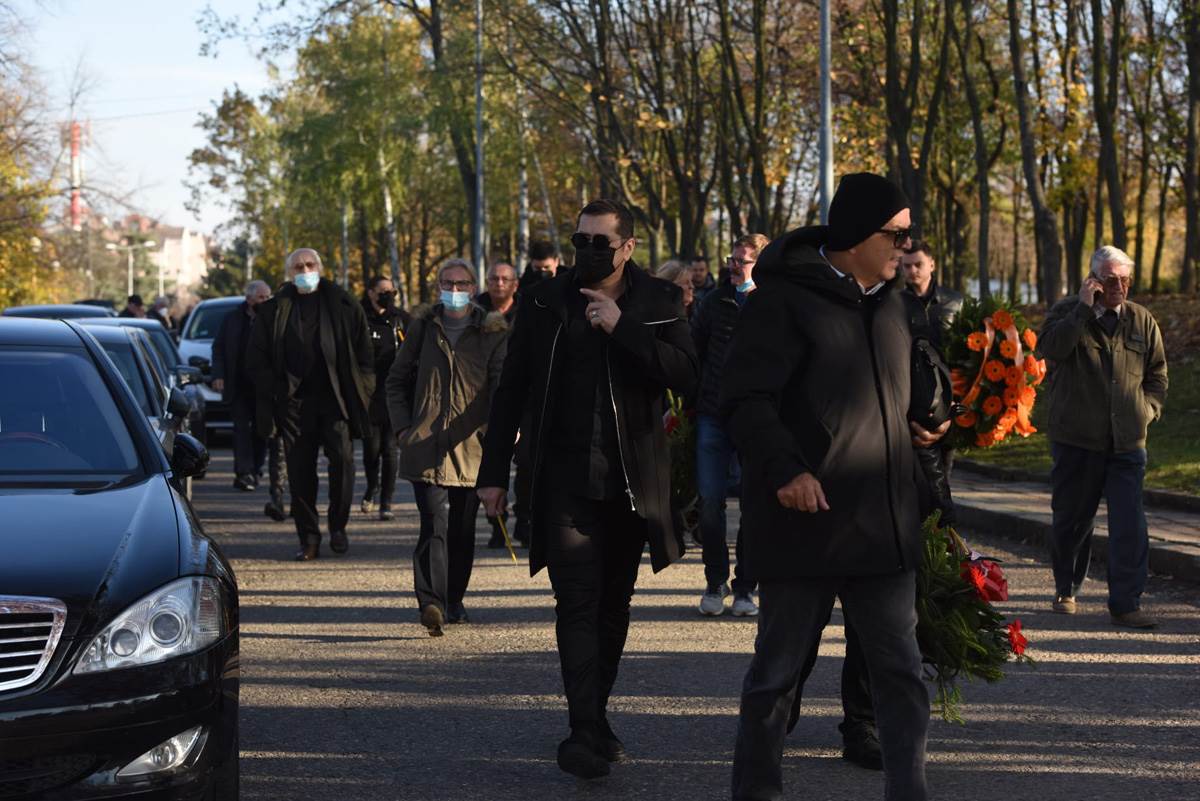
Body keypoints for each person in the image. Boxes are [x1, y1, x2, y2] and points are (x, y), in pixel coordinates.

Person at [723, 173, 949, 801]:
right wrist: (786, 470)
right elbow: (742, 399)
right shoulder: (781, 300)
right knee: (776, 679)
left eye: (909, 236)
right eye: (895, 234)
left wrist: (931, 421)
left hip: (883, 528)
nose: (906, 247)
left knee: (901, 675)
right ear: (855, 235)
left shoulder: (896, 304)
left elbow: (907, 393)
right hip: (804, 522)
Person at [477, 199, 698, 780]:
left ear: (628, 247)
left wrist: (623, 329)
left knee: (611, 606)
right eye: (581, 239)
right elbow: (513, 388)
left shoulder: (659, 301)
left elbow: (688, 376)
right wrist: (493, 472)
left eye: (602, 241)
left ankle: (596, 717)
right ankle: (581, 729)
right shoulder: (545, 299)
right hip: (561, 478)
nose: (590, 250)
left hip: (630, 482)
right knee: (574, 601)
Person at [1038, 245, 1168, 628]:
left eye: (1125, 279)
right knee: (1072, 522)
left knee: (1130, 524)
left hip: (1127, 442)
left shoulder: (1142, 320)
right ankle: (1067, 586)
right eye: (1111, 279)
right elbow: (1051, 350)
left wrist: (1147, 411)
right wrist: (1082, 308)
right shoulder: (1066, 312)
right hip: (1077, 439)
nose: (1119, 287)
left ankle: (1126, 602)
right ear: (1093, 279)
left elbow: (1157, 374)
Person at [387, 259, 508, 635]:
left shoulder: (493, 332)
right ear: (438, 285)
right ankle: (431, 603)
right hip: (426, 445)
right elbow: (395, 381)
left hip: (472, 447)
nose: (454, 289)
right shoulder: (422, 327)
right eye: (447, 282)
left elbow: (502, 388)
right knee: (433, 524)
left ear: (474, 289)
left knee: (462, 528)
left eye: (462, 283)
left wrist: (499, 431)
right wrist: (404, 428)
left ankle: (454, 599)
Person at [247, 248, 374, 561]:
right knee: (300, 472)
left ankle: (338, 525)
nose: (304, 270)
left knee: (343, 464)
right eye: (298, 266)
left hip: (336, 399)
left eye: (309, 264)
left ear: (320, 267)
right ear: (290, 273)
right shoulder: (275, 309)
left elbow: (364, 355)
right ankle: (309, 537)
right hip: (293, 404)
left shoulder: (344, 303)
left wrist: (364, 389)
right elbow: (255, 358)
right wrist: (276, 391)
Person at [691, 234, 769, 619]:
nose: (734, 266)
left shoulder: (771, 304)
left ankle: (745, 588)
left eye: (743, 261)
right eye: (732, 259)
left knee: (754, 506)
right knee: (709, 501)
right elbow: (695, 351)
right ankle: (714, 580)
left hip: (755, 419)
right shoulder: (713, 302)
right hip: (712, 415)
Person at [212, 280, 273, 491]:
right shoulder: (232, 319)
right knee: (240, 430)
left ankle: (255, 469)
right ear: (249, 299)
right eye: (261, 297)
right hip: (238, 385)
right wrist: (218, 375)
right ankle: (243, 472)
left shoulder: (272, 319)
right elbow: (218, 348)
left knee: (261, 431)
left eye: (268, 297)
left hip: (263, 387)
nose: (265, 301)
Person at [361, 275, 411, 521]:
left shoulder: (401, 320)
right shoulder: (360, 319)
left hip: (394, 393)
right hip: (368, 395)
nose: (388, 295)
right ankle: (372, 486)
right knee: (371, 449)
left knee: (391, 449)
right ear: (371, 293)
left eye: (392, 291)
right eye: (383, 291)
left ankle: (386, 501)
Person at [900, 240, 963, 345]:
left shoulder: (956, 301)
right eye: (907, 266)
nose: (912, 270)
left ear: (932, 265)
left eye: (918, 264)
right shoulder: (895, 304)